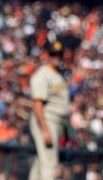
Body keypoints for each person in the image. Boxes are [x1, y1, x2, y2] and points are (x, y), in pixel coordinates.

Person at [28, 36, 71, 180]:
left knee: (42, 160)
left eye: (59, 54)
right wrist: (45, 130)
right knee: (50, 164)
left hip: (57, 123)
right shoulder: (42, 75)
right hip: (47, 121)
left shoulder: (58, 74)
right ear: (47, 55)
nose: (57, 57)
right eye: (53, 54)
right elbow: (37, 105)